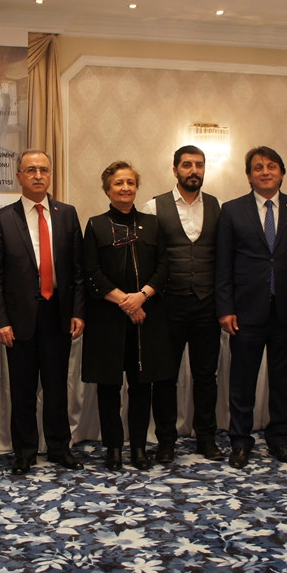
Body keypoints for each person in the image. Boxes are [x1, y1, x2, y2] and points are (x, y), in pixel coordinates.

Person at [0, 149, 86, 476]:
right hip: (19, 320)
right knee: (23, 390)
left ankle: (59, 447)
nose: (38, 175)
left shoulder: (67, 214)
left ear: (50, 174)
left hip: (58, 313)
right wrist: (0, 321)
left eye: (43, 169)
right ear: (19, 176)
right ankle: (24, 452)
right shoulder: (2, 218)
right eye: (31, 170)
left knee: (57, 388)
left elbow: (78, 270)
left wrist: (78, 311)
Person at [83, 162, 176, 471]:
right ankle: (113, 449)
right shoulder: (95, 225)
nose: (125, 188)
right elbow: (91, 272)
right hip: (107, 319)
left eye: (130, 183)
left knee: (141, 386)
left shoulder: (153, 224)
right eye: (118, 183)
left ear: (136, 187)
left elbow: (163, 267)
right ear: (107, 189)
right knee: (108, 387)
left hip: (146, 317)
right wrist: (126, 302)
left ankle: (138, 448)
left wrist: (141, 297)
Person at [216, 147, 287, 469]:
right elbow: (223, 263)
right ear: (249, 175)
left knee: (283, 381)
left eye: (271, 166)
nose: (265, 172)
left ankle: (279, 439)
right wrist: (225, 308)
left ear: (282, 172)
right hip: (246, 311)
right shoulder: (232, 210)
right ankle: (240, 441)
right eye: (257, 167)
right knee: (242, 382)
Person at [142, 145, 224, 462]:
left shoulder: (217, 206)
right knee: (165, 376)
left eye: (199, 165)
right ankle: (166, 440)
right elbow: (148, 259)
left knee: (206, 377)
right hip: (167, 306)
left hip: (206, 305)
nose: (194, 170)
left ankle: (206, 438)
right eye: (187, 165)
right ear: (175, 169)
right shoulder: (153, 207)